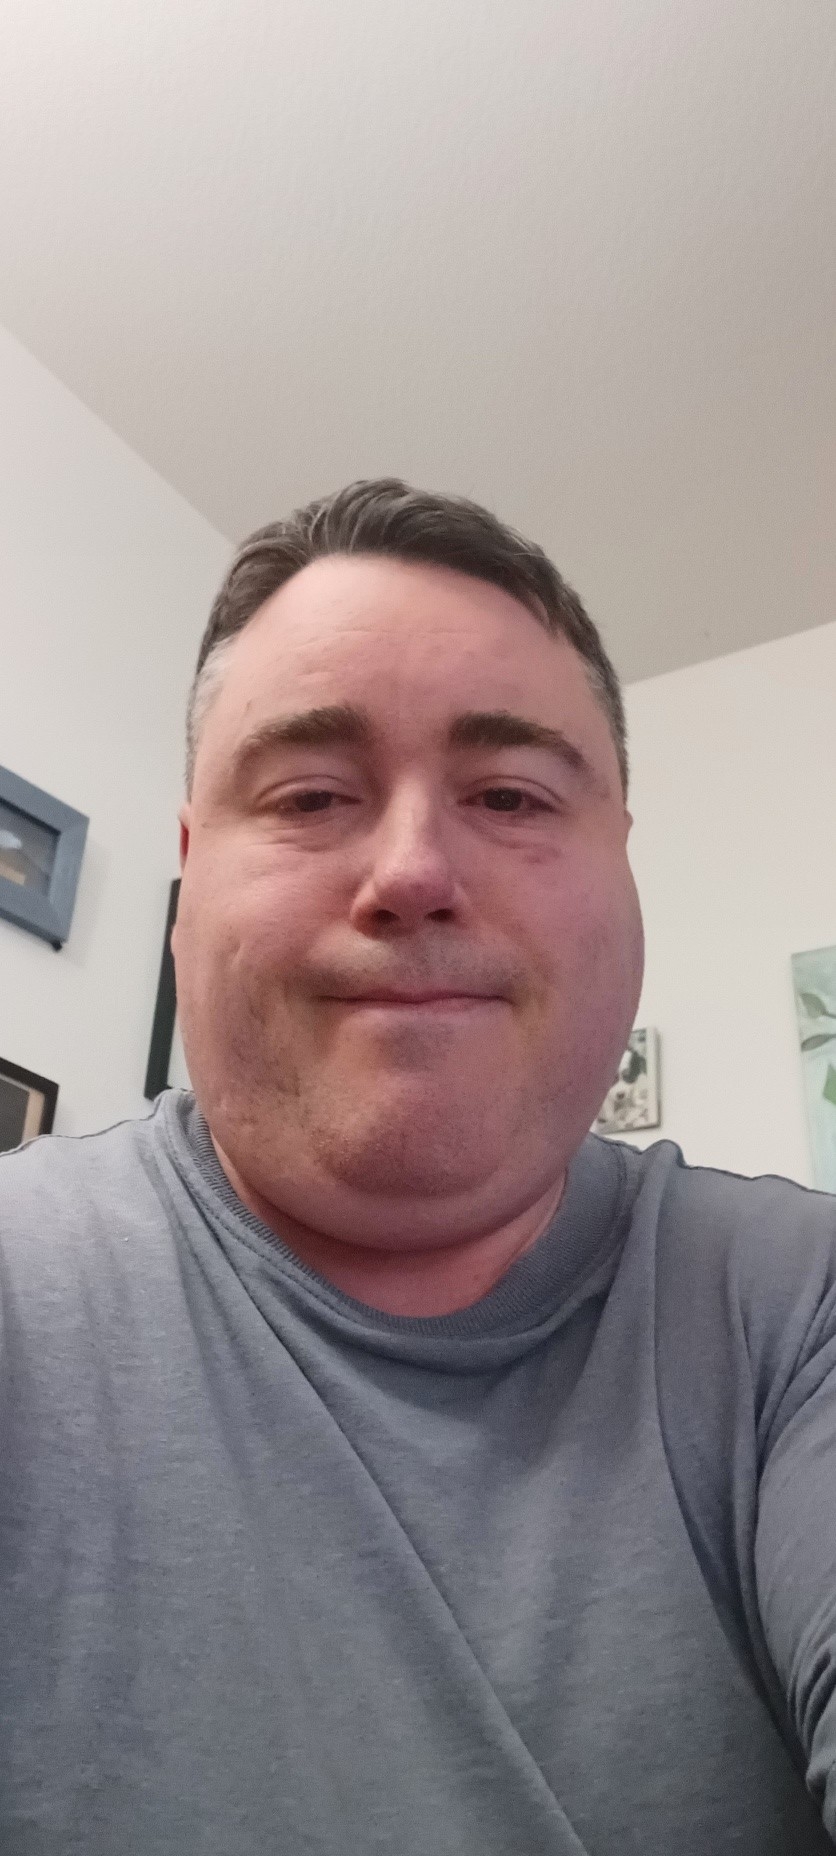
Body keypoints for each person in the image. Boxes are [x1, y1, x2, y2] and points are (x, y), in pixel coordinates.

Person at [0, 479, 834, 1855]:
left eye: (508, 796)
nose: (411, 870)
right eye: (312, 796)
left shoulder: (799, 1312)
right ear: (191, 874)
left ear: (622, 866)